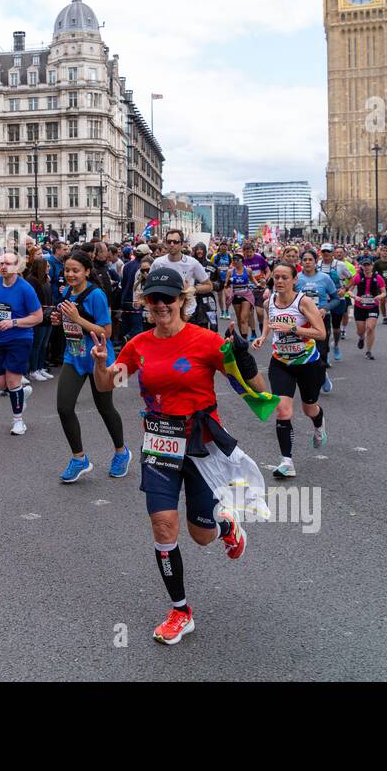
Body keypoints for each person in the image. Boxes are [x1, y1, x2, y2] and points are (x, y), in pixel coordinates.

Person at [91, 266, 264, 646]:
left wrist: (244, 359)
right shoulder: (138, 345)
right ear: (145, 304)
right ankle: (180, 611)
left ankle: (225, 527)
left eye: (167, 298)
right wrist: (101, 363)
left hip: (200, 446)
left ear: (182, 301)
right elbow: (109, 384)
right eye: (152, 299)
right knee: (163, 526)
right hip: (159, 446)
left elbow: (256, 390)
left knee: (201, 535)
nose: (160, 305)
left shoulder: (205, 341)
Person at [51, 251, 128, 482]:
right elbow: (69, 323)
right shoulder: (65, 292)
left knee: (105, 408)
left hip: (99, 358)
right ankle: (79, 458)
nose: (71, 274)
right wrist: (59, 320)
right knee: (64, 407)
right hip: (73, 356)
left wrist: (77, 319)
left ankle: (121, 452)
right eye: (67, 270)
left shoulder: (96, 295)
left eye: (75, 270)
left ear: (86, 271)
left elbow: (107, 331)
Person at [252, 261, 327, 480]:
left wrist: (292, 328)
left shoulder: (303, 302)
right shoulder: (270, 302)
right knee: (283, 410)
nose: (280, 281)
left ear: (295, 279)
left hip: (308, 364)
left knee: (309, 409)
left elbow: (320, 333)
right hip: (281, 362)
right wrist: (263, 337)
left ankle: (319, 424)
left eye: (285, 277)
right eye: (276, 277)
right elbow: (268, 319)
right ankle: (287, 462)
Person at [0, 251, 43, 436]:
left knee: (12, 380)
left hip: (20, 338)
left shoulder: (25, 289)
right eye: (1, 263)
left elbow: (38, 317)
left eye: (8, 264)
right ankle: (20, 393)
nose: (3, 267)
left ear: (17, 267)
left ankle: (18, 421)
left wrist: (14, 322)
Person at [295, 251, 339, 394]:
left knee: (321, 352)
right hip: (302, 321)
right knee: (304, 351)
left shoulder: (324, 278)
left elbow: (336, 298)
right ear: (301, 262)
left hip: (321, 319)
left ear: (315, 261)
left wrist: (325, 308)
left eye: (310, 259)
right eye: (305, 259)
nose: (307, 262)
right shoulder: (296, 279)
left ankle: (321, 373)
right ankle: (315, 376)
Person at [152, 230, 212, 320]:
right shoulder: (158, 263)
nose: (172, 244)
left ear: (182, 244)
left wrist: (191, 289)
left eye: (176, 242)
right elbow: (150, 286)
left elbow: (209, 286)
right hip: (165, 311)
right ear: (165, 243)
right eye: (169, 242)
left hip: (187, 312)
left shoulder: (192, 263)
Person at [24, 257, 55, 382]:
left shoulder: (45, 280)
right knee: (37, 344)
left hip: (47, 315)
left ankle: (40, 367)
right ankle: (33, 369)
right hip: (38, 316)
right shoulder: (32, 280)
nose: (49, 268)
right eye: (47, 266)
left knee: (44, 344)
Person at [350, 254, 386, 360]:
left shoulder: (378, 277)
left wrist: (379, 296)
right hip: (359, 307)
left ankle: (369, 351)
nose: (366, 267)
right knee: (360, 331)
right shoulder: (358, 277)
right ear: (362, 266)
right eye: (364, 265)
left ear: (372, 266)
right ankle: (361, 338)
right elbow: (349, 291)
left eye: (368, 265)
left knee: (370, 328)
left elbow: (384, 292)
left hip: (372, 306)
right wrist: (355, 297)